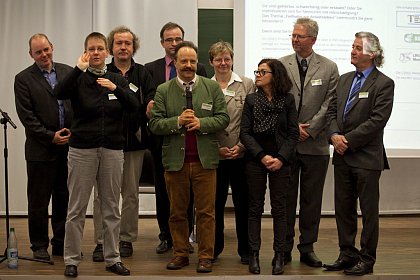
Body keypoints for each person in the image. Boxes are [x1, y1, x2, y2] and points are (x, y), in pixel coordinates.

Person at [54, 32, 138, 277]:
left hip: (112, 149)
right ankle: (71, 259)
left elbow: (134, 106)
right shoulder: (78, 79)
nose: (96, 53)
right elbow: (59, 92)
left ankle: (113, 258)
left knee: (112, 207)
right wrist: (77, 69)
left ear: (107, 52)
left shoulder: (116, 79)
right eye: (91, 49)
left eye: (100, 48)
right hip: (82, 150)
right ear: (85, 53)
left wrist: (116, 88)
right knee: (76, 208)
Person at [149, 41, 229, 273]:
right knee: (177, 212)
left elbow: (223, 118)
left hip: (205, 162)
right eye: (183, 61)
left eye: (192, 61)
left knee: (206, 213)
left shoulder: (211, 87)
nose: (188, 65)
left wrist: (201, 123)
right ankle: (180, 253)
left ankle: (206, 256)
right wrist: (178, 122)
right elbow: (154, 124)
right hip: (176, 162)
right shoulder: (163, 90)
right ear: (175, 63)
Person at [323, 32, 394, 276]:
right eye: (352, 46)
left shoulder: (384, 83)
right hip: (342, 156)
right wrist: (333, 136)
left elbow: (377, 120)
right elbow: (331, 112)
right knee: (343, 209)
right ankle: (347, 254)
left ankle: (367, 259)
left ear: (372, 54)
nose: (352, 51)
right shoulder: (343, 80)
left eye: (357, 48)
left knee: (368, 212)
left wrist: (347, 141)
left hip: (366, 158)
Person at [91, 26, 156, 262]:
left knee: (130, 195)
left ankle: (126, 238)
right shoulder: (101, 72)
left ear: (133, 47)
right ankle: (101, 241)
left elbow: (150, 96)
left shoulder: (143, 73)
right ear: (111, 48)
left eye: (127, 43)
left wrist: (149, 104)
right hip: (106, 143)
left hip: (134, 143)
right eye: (118, 43)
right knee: (103, 196)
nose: (123, 47)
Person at [279, 17, 339, 267]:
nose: (294, 39)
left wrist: (311, 129)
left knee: (311, 201)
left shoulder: (329, 67)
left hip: (316, 146)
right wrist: (294, 128)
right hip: (288, 146)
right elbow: (276, 100)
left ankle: (307, 248)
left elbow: (330, 103)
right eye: (293, 35)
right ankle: (283, 249)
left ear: (313, 39)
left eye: (299, 36)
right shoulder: (280, 65)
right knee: (286, 200)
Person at [145, 22, 207, 254]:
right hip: (162, 138)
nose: (174, 44)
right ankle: (165, 236)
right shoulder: (150, 69)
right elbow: (148, 102)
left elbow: (205, 99)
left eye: (178, 39)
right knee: (163, 189)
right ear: (162, 43)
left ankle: (187, 235)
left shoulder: (199, 67)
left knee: (188, 190)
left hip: (190, 137)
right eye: (169, 40)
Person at [14, 33, 73, 261]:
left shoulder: (68, 71)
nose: (44, 55)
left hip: (68, 147)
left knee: (63, 198)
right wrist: (51, 136)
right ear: (31, 55)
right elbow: (27, 117)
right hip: (40, 150)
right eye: (38, 52)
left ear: (52, 47)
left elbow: (77, 104)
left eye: (46, 49)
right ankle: (39, 246)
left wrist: (70, 133)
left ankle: (60, 243)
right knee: (38, 202)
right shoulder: (23, 79)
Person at [240, 59, 299, 275]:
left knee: (280, 209)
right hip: (256, 160)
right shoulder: (251, 99)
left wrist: (281, 158)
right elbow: (244, 133)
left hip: (281, 161)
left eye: (263, 71)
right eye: (257, 71)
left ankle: (279, 255)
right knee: (254, 208)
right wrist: (262, 156)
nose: (258, 74)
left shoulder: (288, 100)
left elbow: (293, 134)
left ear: (275, 75)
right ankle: (254, 254)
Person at [208, 40, 255, 264]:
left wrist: (242, 146)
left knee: (242, 203)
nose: (223, 63)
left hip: (241, 154)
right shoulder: (204, 86)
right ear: (211, 62)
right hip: (216, 155)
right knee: (214, 204)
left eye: (227, 58)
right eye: (218, 59)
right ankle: (214, 248)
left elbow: (254, 120)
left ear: (233, 60)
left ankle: (245, 249)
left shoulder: (246, 84)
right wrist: (217, 149)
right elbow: (204, 123)